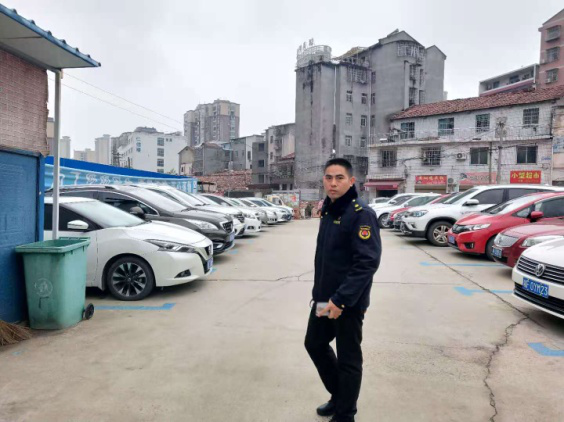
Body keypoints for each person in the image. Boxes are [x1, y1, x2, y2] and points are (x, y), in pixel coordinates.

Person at [304, 158, 382, 422]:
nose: (333, 183)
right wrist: (320, 295)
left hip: (347, 303)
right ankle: (340, 397)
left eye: (339, 178)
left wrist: (341, 300)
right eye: (329, 177)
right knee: (314, 344)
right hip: (324, 299)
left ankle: (346, 414)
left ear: (351, 181)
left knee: (349, 358)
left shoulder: (361, 214)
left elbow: (367, 263)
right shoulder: (329, 209)